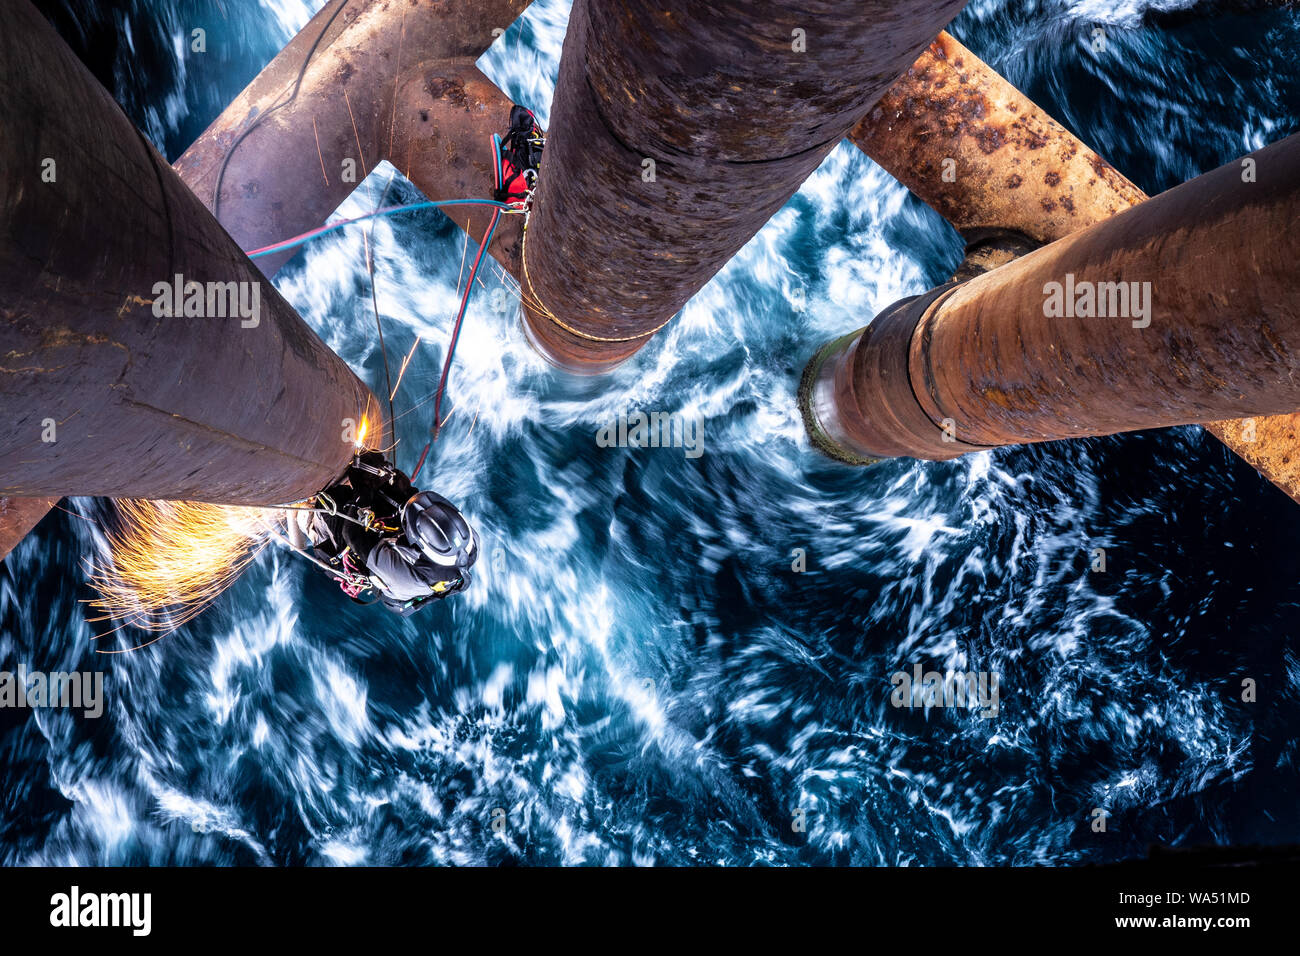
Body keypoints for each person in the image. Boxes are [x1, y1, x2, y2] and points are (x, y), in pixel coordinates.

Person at [290, 451, 479, 616]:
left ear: (419, 545)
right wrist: (394, 481)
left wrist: (362, 496)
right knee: (384, 482)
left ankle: (303, 515)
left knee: (333, 504)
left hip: (373, 563)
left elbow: (352, 534)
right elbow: (410, 500)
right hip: (406, 551)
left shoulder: (404, 575)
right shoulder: (469, 541)